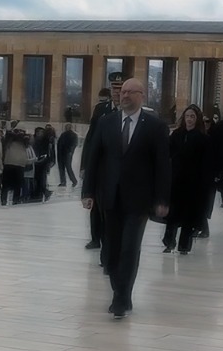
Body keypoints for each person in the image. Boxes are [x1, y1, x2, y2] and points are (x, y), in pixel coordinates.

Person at [81, 78, 169, 319]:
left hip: (138, 199)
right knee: (112, 251)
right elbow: (94, 158)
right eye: (122, 92)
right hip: (109, 196)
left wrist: (162, 198)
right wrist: (88, 192)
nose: (124, 96)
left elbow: (162, 165)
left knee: (130, 248)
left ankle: (119, 298)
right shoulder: (106, 122)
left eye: (131, 92)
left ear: (142, 96)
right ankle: (122, 291)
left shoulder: (154, 126)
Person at [163, 105, 214, 255]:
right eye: (187, 116)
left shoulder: (203, 139)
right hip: (176, 181)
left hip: (193, 183)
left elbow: (207, 163)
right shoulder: (177, 135)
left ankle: (184, 245)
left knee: (188, 216)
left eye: (192, 117)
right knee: (172, 215)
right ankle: (169, 242)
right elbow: (167, 154)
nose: (189, 119)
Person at [80, 83, 117, 248]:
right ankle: (96, 238)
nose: (117, 93)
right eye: (115, 89)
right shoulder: (101, 109)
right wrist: (84, 165)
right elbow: (91, 138)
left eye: (120, 89)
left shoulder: (129, 112)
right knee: (96, 203)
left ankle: (109, 239)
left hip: (117, 167)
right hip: (100, 166)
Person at [56, 122, 79, 188]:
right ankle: (63, 182)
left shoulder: (73, 135)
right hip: (62, 153)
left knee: (68, 167)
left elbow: (74, 144)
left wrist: (70, 151)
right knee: (61, 168)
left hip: (67, 153)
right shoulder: (63, 134)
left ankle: (73, 181)